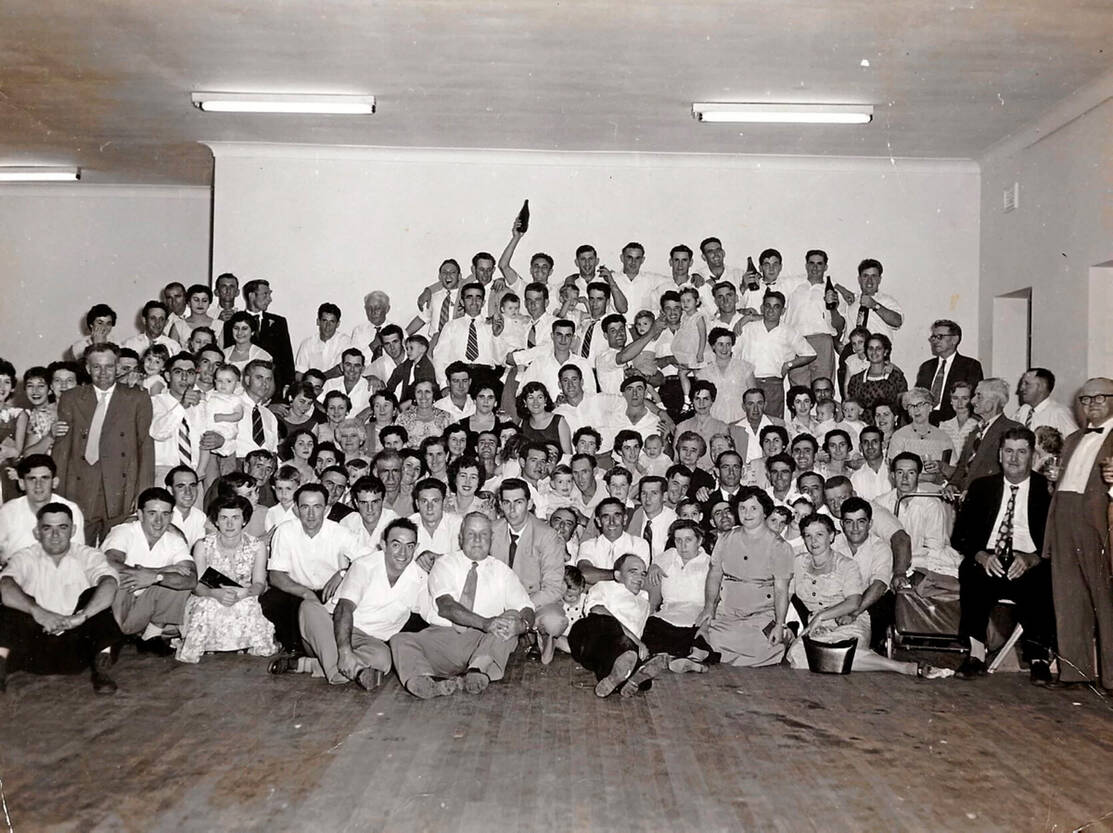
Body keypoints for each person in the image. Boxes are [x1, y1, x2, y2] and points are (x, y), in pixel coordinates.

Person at [391, 512, 534, 699]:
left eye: (483, 534)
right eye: (471, 534)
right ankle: (425, 680)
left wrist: (522, 625)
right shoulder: (444, 564)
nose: (477, 540)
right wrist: (485, 622)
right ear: (460, 538)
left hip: (483, 641)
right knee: (400, 640)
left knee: (510, 620)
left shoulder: (503, 572)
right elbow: (447, 607)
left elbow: (527, 608)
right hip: (443, 638)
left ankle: (476, 671)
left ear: (491, 539)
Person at [787, 514, 950, 677]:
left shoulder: (846, 565)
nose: (813, 541)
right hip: (818, 625)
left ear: (831, 536)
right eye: (808, 535)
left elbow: (853, 602)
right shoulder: (798, 562)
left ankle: (905, 668)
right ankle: (877, 661)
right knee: (797, 655)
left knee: (834, 651)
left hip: (849, 620)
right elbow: (787, 593)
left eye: (819, 534)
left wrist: (821, 617)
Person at [951, 428, 1054, 684]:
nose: (1014, 458)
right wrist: (981, 556)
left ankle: (1039, 658)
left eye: (1021, 452)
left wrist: (1032, 559)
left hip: (1031, 560)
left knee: (1044, 578)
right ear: (999, 455)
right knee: (971, 572)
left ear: (1033, 455)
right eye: (1009, 451)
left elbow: (1058, 536)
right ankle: (976, 654)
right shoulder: (982, 487)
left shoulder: (1047, 489)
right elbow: (960, 535)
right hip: (991, 558)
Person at [0, 503, 124, 694]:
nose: (55, 535)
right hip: (34, 645)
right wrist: (38, 612)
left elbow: (109, 584)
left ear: (73, 530)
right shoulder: (24, 556)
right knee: (10, 600)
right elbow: (5, 586)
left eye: (62, 527)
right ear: (37, 532)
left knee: (95, 596)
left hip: (76, 647)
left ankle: (102, 672)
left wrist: (81, 616)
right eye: (47, 528)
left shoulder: (88, 555)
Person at [299, 517, 428, 689]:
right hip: (331, 631)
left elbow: (434, 613)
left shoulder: (419, 577)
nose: (403, 553)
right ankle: (339, 669)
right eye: (396, 545)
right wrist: (345, 652)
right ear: (383, 545)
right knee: (308, 608)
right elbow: (344, 608)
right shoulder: (364, 566)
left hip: (368, 642)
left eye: (409, 546)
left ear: (416, 548)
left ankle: (316, 665)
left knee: (384, 658)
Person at [1044, 377, 1113, 690]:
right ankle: (1075, 672)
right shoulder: (1072, 439)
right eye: (1086, 399)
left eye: (1100, 398)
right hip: (1064, 517)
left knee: (1106, 599)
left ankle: (1111, 678)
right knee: (1068, 597)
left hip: (1099, 521)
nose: (1091, 404)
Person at [53, 343, 154, 544]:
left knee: (115, 551)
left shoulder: (137, 397)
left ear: (117, 367)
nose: (103, 373)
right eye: (96, 367)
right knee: (79, 552)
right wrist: (58, 494)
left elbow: (145, 446)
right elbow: (62, 451)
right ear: (87, 368)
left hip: (121, 488)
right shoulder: (71, 398)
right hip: (80, 489)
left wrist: (143, 493)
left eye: (109, 366)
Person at [263, 483, 371, 664]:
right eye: (305, 507)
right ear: (296, 509)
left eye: (317, 507)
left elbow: (369, 560)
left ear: (326, 508)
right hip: (297, 592)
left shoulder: (339, 532)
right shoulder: (285, 531)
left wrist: (343, 573)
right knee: (271, 600)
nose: (311, 514)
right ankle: (295, 649)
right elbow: (275, 575)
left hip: (330, 593)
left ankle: (323, 652)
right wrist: (306, 594)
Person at [175, 494, 276, 663]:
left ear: (244, 520)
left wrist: (244, 593)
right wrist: (215, 594)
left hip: (243, 594)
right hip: (208, 595)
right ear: (216, 521)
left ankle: (239, 643)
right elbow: (197, 586)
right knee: (208, 605)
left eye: (235, 518)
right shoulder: (202, 545)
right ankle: (209, 644)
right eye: (224, 518)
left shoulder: (257, 546)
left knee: (248, 604)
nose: (229, 524)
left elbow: (260, 583)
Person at [697, 487, 792, 666]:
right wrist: (709, 607)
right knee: (708, 632)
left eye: (753, 508)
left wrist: (779, 624)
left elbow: (781, 590)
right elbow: (714, 575)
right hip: (728, 613)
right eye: (742, 508)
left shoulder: (780, 546)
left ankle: (707, 654)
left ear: (765, 512)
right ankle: (703, 653)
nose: (747, 514)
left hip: (760, 616)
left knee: (768, 646)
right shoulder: (725, 539)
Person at [102, 487, 198, 651]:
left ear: (171, 516)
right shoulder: (124, 531)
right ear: (140, 514)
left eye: (165, 514)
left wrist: (155, 576)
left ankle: (151, 636)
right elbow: (110, 563)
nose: (159, 521)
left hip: (145, 604)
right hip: (119, 601)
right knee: (117, 577)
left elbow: (191, 578)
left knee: (179, 578)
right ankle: (111, 639)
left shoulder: (174, 541)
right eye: (152, 513)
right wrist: (161, 570)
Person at [568, 553, 670, 697]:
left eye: (643, 574)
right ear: (617, 575)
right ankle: (631, 668)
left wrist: (655, 568)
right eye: (633, 572)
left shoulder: (644, 599)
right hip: (592, 639)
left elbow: (656, 588)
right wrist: (636, 641)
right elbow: (597, 611)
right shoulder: (604, 586)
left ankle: (621, 680)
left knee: (629, 654)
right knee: (607, 624)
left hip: (621, 650)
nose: (640, 578)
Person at [490, 478, 567, 648]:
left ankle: (532, 633)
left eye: (518, 502)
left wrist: (520, 607)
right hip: (498, 602)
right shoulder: (491, 530)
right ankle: (522, 635)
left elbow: (553, 588)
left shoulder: (547, 535)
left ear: (530, 503)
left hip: (534, 602)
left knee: (554, 622)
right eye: (507, 503)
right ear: (500, 505)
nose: (512, 510)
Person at [643, 519, 712, 672]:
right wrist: (653, 567)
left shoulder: (709, 564)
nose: (683, 546)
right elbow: (654, 567)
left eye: (688, 540)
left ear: (699, 541)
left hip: (695, 616)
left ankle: (683, 658)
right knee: (651, 625)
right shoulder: (670, 555)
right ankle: (677, 658)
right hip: (668, 614)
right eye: (678, 540)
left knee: (700, 637)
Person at [737, 291, 816, 419]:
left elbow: (810, 354)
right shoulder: (748, 328)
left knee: (773, 424)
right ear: (762, 308)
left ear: (783, 311)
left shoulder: (789, 331)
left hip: (773, 385)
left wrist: (789, 365)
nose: (771, 310)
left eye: (776, 306)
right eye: (768, 306)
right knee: (748, 422)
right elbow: (735, 354)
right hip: (749, 383)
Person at [0, 455, 84, 562]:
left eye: (44, 478)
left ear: (54, 482)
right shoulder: (7, 512)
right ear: (22, 484)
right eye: (32, 479)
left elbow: (76, 556)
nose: (38, 485)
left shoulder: (71, 510)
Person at [946, 378, 1022, 494]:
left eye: (979, 396)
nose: (972, 401)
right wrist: (952, 484)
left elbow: (1012, 472)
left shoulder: (1012, 429)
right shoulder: (976, 430)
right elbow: (963, 466)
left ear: (994, 400)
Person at [785, 250, 845, 385]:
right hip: (797, 342)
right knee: (799, 389)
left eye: (819, 264)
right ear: (806, 265)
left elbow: (839, 326)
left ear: (825, 267)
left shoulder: (833, 292)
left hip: (822, 342)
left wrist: (834, 308)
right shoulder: (794, 287)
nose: (815, 267)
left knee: (823, 387)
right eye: (811, 263)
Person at [913, 319, 983, 425]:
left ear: (954, 339)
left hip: (955, 423)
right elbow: (917, 397)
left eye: (940, 336)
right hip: (925, 423)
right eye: (934, 337)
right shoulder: (926, 367)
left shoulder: (970, 366)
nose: (935, 341)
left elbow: (974, 400)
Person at [576, 498, 651, 584]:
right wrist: (618, 575)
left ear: (625, 519)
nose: (612, 522)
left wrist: (599, 575)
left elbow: (638, 578)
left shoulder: (639, 544)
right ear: (599, 521)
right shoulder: (588, 545)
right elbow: (585, 574)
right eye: (606, 517)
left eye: (617, 516)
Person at [888, 388, 954, 484]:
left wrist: (942, 466)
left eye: (920, 404)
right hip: (908, 491)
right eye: (911, 406)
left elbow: (955, 473)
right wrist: (930, 478)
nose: (916, 409)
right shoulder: (899, 436)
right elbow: (895, 473)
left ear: (930, 407)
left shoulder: (943, 437)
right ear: (908, 411)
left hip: (937, 491)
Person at [696, 328, 757, 425]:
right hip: (714, 421)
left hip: (741, 420)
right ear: (713, 346)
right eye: (720, 344)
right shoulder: (704, 373)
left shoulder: (745, 367)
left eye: (728, 344)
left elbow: (754, 397)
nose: (725, 349)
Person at [842, 259, 904, 343]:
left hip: (878, 349)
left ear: (879, 279)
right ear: (859, 279)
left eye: (873, 276)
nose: (869, 280)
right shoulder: (852, 302)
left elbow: (897, 322)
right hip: (855, 349)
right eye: (865, 276)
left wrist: (874, 305)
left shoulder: (887, 300)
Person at [846, 333, 907, 415]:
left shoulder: (896, 377)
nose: (874, 352)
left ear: (885, 352)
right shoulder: (856, 380)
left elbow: (903, 408)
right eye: (870, 348)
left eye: (878, 348)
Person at [1015, 368, 1080, 436]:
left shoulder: (1059, 413)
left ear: (1042, 386)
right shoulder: (1023, 410)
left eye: (1027, 384)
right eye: (1022, 384)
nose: (1021, 388)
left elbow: (1075, 439)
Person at [517, 380, 572, 456]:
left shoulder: (559, 421)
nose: (535, 402)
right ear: (525, 402)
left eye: (540, 397)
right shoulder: (523, 423)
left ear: (545, 400)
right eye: (531, 397)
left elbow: (568, 455)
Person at [397, 379, 450, 446]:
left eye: (427, 392)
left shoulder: (447, 418)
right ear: (414, 395)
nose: (423, 396)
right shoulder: (403, 419)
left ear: (433, 394)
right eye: (419, 392)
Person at [938, 380, 980, 461]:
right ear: (951, 401)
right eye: (955, 398)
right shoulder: (944, 426)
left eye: (964, 398)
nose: (959, 403)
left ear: (971, 400)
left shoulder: (978, 425)